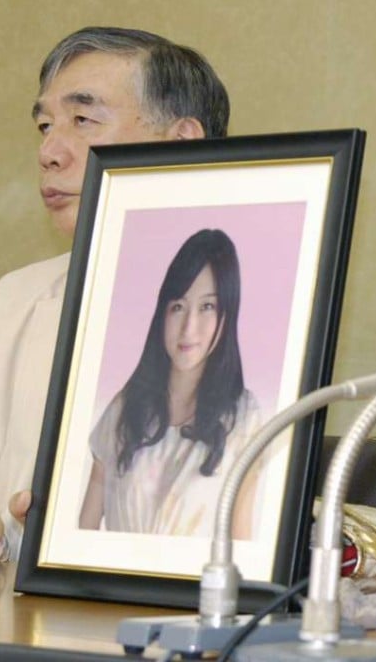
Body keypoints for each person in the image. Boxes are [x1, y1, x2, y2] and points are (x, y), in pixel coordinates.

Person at [0, 27, 228, 567]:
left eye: (83, 120)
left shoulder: (266, 307)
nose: (49, 152)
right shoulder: (15, 298)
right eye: (45, 126)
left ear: (181, 144)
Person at [77, 229, 260, 538]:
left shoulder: (244, 418)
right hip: (114, 570)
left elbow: (241, 544)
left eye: (207, 307)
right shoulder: (125, 408)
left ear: (227, 315)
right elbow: (85, 530)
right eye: (178, 306)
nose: (189, 328)